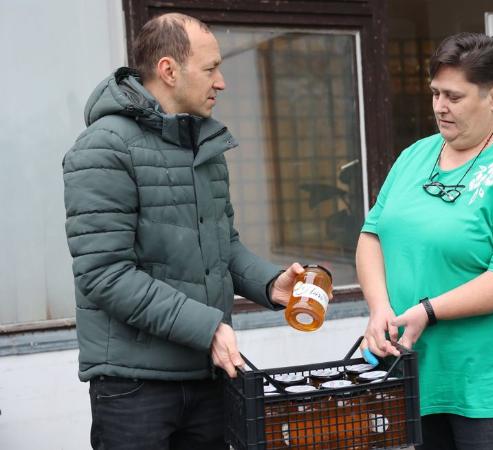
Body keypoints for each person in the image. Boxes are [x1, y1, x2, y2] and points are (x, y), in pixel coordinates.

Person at [62, 13, 313, 450]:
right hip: (134, 388)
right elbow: (104, 275)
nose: (222, 83)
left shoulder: (204, 145)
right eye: (211, 68)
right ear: (168, 70)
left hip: (206, 377)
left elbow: (222, 245)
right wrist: (210, 328)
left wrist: (271, 284)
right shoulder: (102, 148)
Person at [358, 32, 493, 450]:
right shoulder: (416, 155)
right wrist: (380, 309)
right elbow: (372, 234)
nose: (439, 107)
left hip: (491, 377)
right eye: (435, 93)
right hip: (420, 366)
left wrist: (427, 311)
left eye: (454, 96)